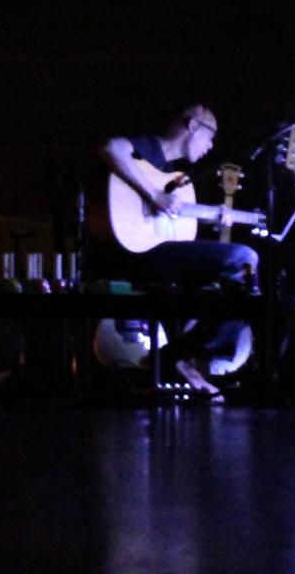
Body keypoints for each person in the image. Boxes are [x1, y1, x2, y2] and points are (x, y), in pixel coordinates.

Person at [96, 104, 259, 394]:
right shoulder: (149, 149)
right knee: (244, 259)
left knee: (242, 281)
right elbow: (111, 147)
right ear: (193, 126)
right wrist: (152, 194)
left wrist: (211, 213)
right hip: (132, 254)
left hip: (156, 251)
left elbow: (173, 217)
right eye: (210, 136)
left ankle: (178, 356)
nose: (211, 146)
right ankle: (180, 357)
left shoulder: (175, 174)